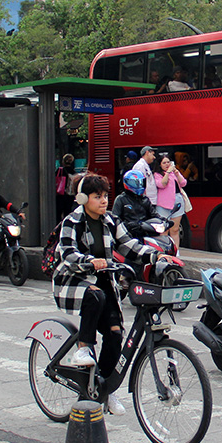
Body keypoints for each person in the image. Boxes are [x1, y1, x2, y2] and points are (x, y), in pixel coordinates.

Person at [53, 173, 175, 416]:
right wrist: (90, 261)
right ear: (83, 198)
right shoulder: (72, 221)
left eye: (105, 196)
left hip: (104, 280)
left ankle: (105, 389)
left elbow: (129, 245)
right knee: (95, 295)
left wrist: (155, 255)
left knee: (116, 334)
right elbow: (67, 252)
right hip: (74, 279)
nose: (103, 201)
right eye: (97, 196)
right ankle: (84, 347)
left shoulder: (110, 220)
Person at [111, 169, 165, 239]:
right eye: (137, 183)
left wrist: (164, 220)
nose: (140, 185)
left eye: (142, 182)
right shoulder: (121, 199)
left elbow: (153, 214)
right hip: (128, 235)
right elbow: (115, 219)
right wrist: (129, 225)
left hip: (145, 233)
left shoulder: (145, 199)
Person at [152, 154, 187, 248]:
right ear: (160, 165)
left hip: (177, 202)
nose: (167, 164)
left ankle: (176, 252)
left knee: (175, 229)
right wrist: (167, 173)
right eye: (164, 163)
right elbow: (162, 184)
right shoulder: (157, 175)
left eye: (168, 162)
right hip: (163, 204)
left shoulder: (174, 173)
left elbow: (183, 183)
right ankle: (164, 250)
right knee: (164, 229)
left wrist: (176, 172)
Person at [56, 153, 78, 223]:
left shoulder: (60, 171)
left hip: (61, 194)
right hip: (70, 195)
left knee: (58, 213)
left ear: (63, 161)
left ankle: (58, 227)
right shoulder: (74, 172)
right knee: (67, 212)